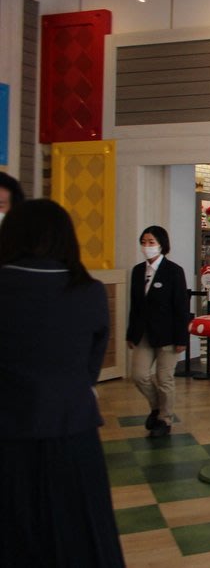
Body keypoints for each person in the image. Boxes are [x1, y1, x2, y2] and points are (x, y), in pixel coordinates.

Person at [0, 199, 125, 567]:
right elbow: (91, 364)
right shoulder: (87, 290)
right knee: (79, 531)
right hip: (72, 427)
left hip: (7, 428)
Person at [126, 226, 190, 438]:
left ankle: (165, 418)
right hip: (143, 333)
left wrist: (182, 338)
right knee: (139, 375)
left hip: (169, 335)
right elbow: (135, 305)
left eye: (151, 242)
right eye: (144, 242)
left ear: (162, 244)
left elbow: (181, 307)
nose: (147, 247)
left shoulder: (174, 271)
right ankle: (156, 406)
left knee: (165, 379)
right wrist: (131, 333)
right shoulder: (137, 271)